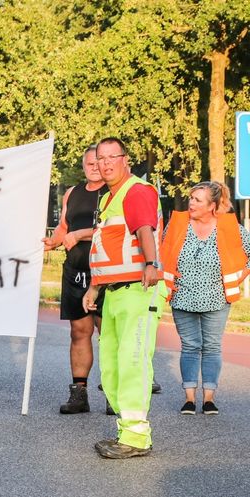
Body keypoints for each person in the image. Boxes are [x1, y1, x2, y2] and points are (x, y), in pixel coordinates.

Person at [82, 137, 163, 459]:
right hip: (114, 292)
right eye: (100, 159)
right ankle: (126, 429)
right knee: (112, 367)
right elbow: (107, 250)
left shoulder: (136, 191)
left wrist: (151, 263)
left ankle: (136, 437)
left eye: (110, 157)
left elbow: (145, 228)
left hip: (137, 290)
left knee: (132, 362)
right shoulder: (109, 198)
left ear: (125, 159)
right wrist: (94, 287)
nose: (104, 164)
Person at [158, 181, 248, 416]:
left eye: (198, 200)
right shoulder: (177, 224)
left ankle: (209, 399)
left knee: (211, 347)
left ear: (212, 206)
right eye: (191, 197)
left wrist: (237, 277)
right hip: (182, 297)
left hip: (217, 299)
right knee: (189, 347)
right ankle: (189, 398)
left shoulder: (230, 227)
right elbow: (163, 252)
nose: (191, 203)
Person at [43, 145, 106, 413]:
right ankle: (79, 394)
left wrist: (80, 234)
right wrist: (52, 241)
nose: (93, 167)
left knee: (110, 334)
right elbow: (64, 228)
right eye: (88, 163)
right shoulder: (73, 192)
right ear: (83, 166)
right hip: (76, 271)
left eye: (98, 162)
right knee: (79, 332)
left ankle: (115, 395)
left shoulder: (114, 193)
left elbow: (114, 230)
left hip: (106, 272)